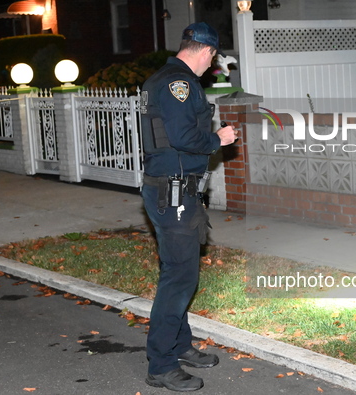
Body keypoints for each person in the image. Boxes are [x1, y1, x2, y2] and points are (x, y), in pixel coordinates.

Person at [139, 22, 238, 392]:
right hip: (174, 193)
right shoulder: (178, 84)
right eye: (212, 58)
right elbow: (183, 137)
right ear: (205, 51)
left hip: (170, 190)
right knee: (180, 278)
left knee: (177, 272)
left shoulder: (161, 79)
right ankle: (161, 364)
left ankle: (179, 346)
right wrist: (218, 138)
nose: (210, 67)